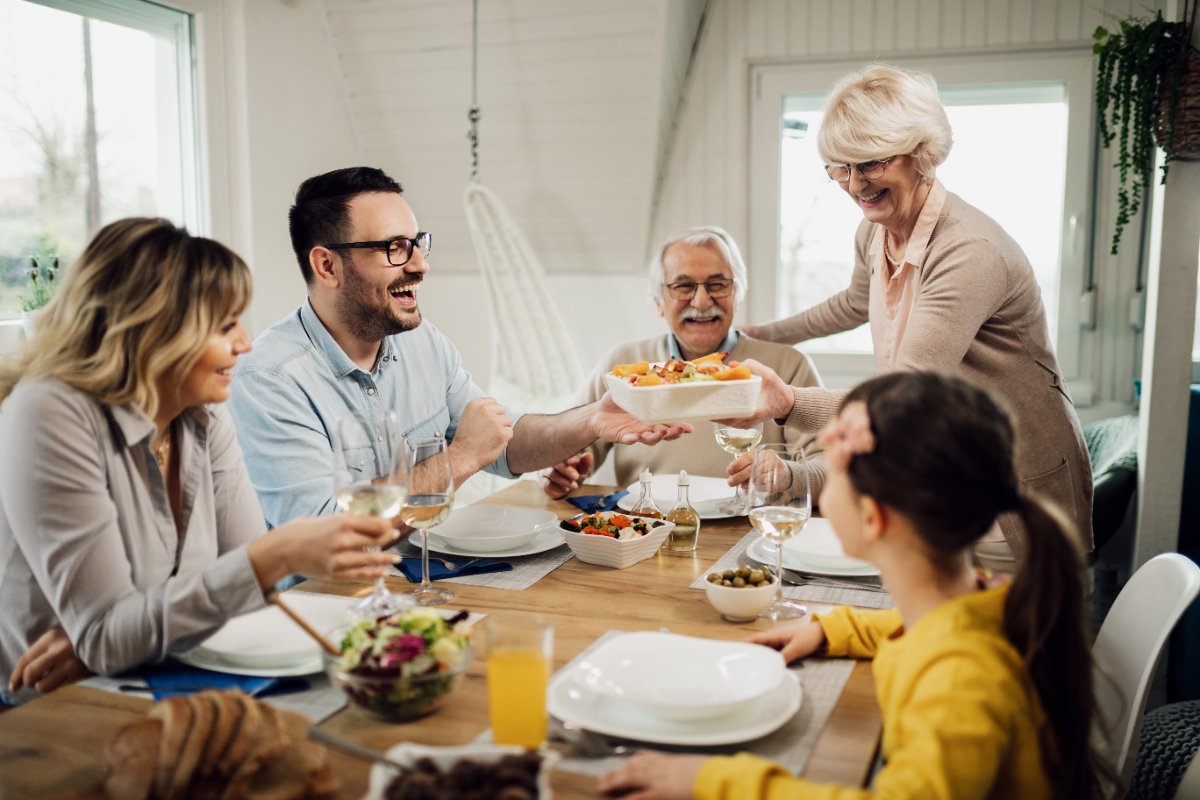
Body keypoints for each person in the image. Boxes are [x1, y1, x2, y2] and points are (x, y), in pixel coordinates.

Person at [600, 372, 1109, 800]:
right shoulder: (980, 598)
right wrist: (834, 629)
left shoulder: (959, 682)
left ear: (872, 518)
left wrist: (715, 781)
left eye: (833, 467)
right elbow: (921, 627)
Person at [0, 219, 398, 705]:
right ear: (152, 329)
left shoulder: (201, 414)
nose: (245, 343)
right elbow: (113, 632)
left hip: (153, 676)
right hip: (53, 710)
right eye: (225, 324)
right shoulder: (48, 412)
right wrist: (274, 556)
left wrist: (118, 641)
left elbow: (249, 596)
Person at [735, 64, 1091, 573]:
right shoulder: (875, 232)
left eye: (871, 164)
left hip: (1009, 493)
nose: (855, 184)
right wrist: (762, 335)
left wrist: (787, 402)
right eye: (840, 167)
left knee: (1007, 648)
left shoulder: (969, 251)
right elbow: (854, 303)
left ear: (922, 154)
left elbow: (904, 398)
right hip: (940, 473)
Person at [227, 168, 690, 530]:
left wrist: (592, 419)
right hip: (329, 608)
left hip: (430, 577)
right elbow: (328, 536)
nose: (421, 264)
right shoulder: (269, 379)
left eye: (417, 244)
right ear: (326, 265)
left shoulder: (423, 342)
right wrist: (461, 457)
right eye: (395, 248)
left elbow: (506, 446)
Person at [538, 227, 826, 500]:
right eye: (683, 286)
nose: (701, 301)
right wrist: (556, 469)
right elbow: (563, 442)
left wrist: (789, 475)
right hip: (645, 531)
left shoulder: (788, 365)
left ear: (737, 295)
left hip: (748, 533)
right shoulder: (621, 364)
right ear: (658, 301)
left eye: (717, 284)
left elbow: (833, 468)